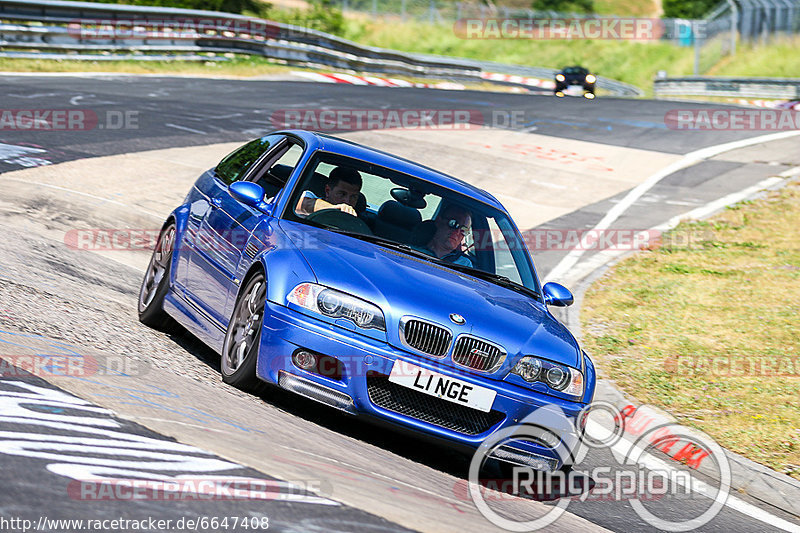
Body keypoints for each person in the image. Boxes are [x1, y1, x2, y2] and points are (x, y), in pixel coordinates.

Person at [295, 167, 362, 217]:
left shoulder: (358, 222)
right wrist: (333, 209)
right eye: (342, 194)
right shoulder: (309, 197)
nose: (347, 202)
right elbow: (301, 205)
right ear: (328, 191)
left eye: (353, 197)